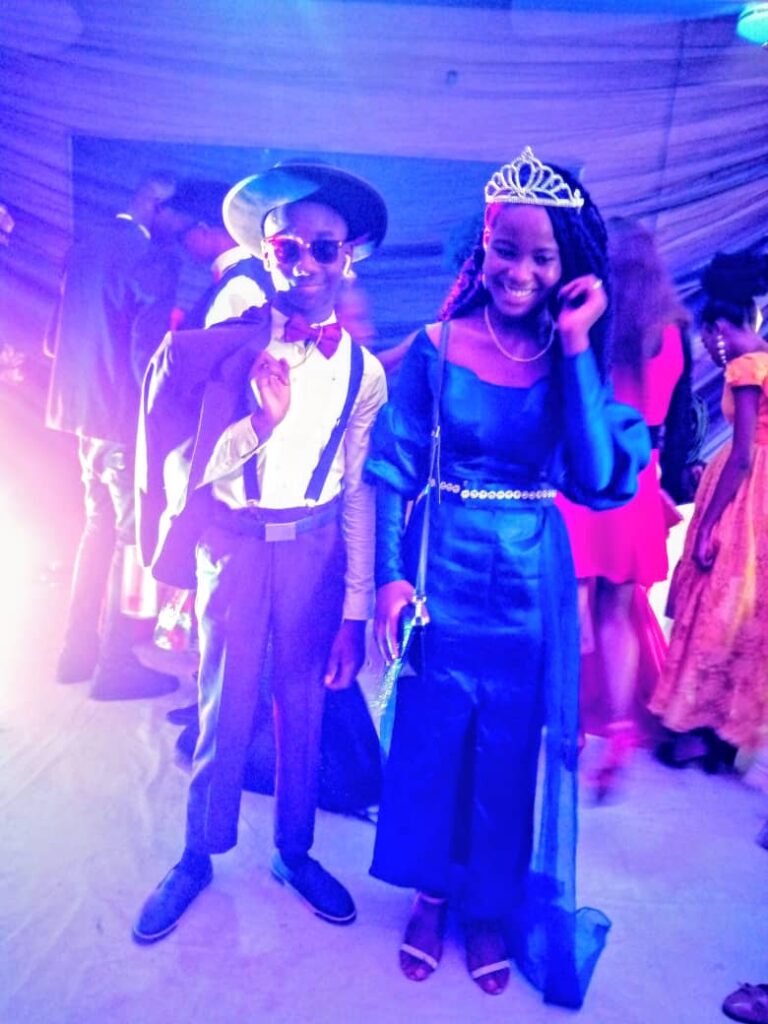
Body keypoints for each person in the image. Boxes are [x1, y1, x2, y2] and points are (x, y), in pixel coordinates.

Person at [365, 146, 649, 1006]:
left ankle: (489, 906)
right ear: (480, 248)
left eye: (541, 256)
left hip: (529, 579)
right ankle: (430, 894)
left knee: (507, 749)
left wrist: (577, 343)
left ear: (570, 268)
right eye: (505, 248)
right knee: (431, 739)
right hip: (441, 564)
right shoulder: (435, 345)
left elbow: (595, 476)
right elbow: (393, 468)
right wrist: (387, 577)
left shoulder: (570, 360)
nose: (519, 270)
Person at [132, 162, 388, 942]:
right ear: (266, 253)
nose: (305, 263)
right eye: (288, 248)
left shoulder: (363, 373)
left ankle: (295, 850)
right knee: (225, 701)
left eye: (324, 248)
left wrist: (354, 608)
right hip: (235, 548)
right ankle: (197, 853)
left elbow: (355, 493)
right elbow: (186, 469)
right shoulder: (225, 347)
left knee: (304, 705)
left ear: (348, 257)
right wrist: (259, 426)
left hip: (314, 553)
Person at [45, 172, 210, 699]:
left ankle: (75, 654)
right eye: (181, 220)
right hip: (122, 421)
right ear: (160, 207)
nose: (184, 232)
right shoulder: (154, 260)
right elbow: (148, 362)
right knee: (128, 538)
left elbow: (52, 341)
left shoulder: (85, 244)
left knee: (97, 528)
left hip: (78, 414)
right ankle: (117, 667)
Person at [556, 218, 688, 799]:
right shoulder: (671, 332)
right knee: (618, 611)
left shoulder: (596, 323)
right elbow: (665, 418)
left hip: (588, 477)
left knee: (573, 606)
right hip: (637, 477)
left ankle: (568, 726)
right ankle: (618, 728)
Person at [649, 250, 768, 766]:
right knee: (745, 612)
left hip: (743, 497)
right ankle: (724, 735)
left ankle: (696, 728)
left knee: (713, 608)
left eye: (706, 336)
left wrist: (707, 525)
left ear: (719, 328)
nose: (707, 346)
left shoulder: (744, 367)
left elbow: (742, 456)